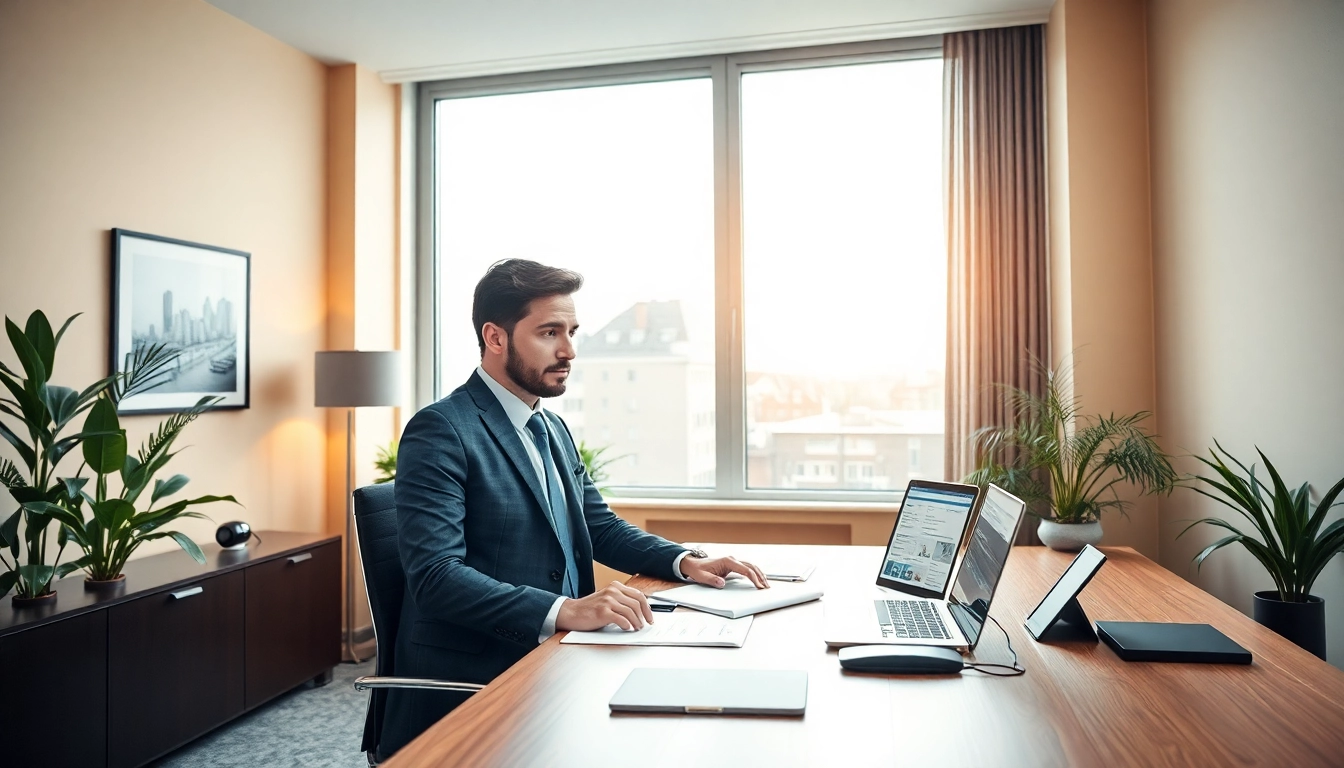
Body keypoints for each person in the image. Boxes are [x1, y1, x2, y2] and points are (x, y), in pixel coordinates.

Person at [382, 259, 769, 756]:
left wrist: (685, 561)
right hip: (480, 680)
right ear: (495, 338)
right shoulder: (442, 430)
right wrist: (564, 609)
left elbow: (598, 526)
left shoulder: (551, 427)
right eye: (549, 332)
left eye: (571, 331)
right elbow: (436, 577)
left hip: (558, 658)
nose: (568, 350)